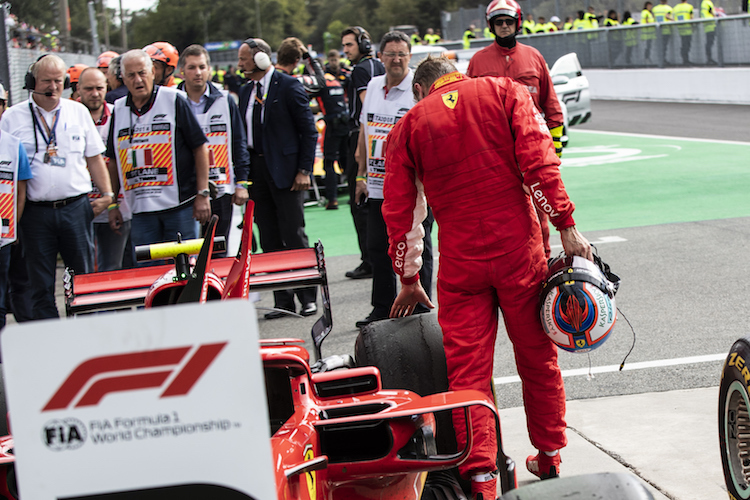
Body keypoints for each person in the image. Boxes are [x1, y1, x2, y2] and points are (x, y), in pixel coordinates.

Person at [382, 56, 593, 499]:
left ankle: (481, 476)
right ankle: (550, 455)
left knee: (467, 374)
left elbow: (402, 214)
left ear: (419, 90)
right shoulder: (503, 91)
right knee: (537, 357)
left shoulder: (409, 126)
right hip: (519, 252)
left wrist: (408, 275)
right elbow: (539, 164)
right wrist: (565, 225)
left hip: (461, 265)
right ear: (458, 73)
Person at [2, 54, 114, 319]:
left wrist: (108, 194)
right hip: (34, 213)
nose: (52, 87)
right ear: (31, 82)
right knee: (39, 284)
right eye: (46, 81)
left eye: (57, 81)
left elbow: (94, 158)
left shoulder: (78, 112)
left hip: (76, 208)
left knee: (83, 280)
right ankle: (53, 342)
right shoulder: (12, 117)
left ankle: (85, 341)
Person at [467, 0, 565, 259]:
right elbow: (467, 111)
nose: (503, 26)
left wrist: (555, 151)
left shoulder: (534, 56)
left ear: (517, 22)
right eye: (498, 22)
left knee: (539, 208)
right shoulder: (478, 61)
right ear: (491, 25)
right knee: (497, 213)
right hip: (492, 152)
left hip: (532, 148)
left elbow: (552, 106)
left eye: (508, 21)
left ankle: (542, 260)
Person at [353, 31, 433, 329]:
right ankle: (382, 309)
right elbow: (364, 132)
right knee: (377, 247)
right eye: (390, 54)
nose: (396, 59)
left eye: (401, 54)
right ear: (380, 57)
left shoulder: (418, 89)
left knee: (418, 247)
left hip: (412, 188)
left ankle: (422, 310)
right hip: (376, 184)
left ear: (409, 57)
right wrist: (360, 175)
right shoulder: (372, 86)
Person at [237, 38, 318, 319]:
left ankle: (308, 297)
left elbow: (309, 131)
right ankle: (283, 300)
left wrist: (304, 170)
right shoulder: (245, 91)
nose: (240, 64)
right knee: (269, 238)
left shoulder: (289, 85)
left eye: (244, 59)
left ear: (260, 59)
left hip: (288, 173)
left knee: (294, 235)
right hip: (258, 174)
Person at [106, 49, 211, 259]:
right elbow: (113, 159)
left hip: (180, 206)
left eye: (142, 73)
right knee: (148, 274)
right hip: (141, 210)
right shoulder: (118, 109)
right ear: (123, 79)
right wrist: (112, 204)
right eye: (131, 75)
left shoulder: (174, 100)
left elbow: (200, 147)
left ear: (153, 72)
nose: (138, 80)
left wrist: (203, 194)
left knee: (186, 270)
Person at [177, 44, 250, 258]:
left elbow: (239, 142)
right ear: (182, 70)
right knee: (186, 253)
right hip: (184, 191)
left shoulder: (226, 99)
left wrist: (242, 183)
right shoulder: (171, 100)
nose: (197, 72)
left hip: (221, 187)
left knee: (218, 251)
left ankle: (216, 293)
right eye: (191, 67)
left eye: (202, 67)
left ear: (209, 69)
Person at [341, 26, 384, 280]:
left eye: (349, 45)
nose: (345, 50)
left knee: (360, 202)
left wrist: (359, 152)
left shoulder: (360, 70)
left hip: (362, 138)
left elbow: (367, 107)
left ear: (363, 45)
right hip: (376, 139)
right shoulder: (378, 66)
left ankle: (368, 260)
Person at [79, 67, 132, 271]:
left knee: (113, 268)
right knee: (82, 271)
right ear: (78, 90)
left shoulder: (119, 115)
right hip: (82, 208)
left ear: (106, 87)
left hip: (117, 208)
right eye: (89, 88)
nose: (95, 93)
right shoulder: (71, 117)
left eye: (99, 88)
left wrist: (114, 203)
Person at [0, 96, 31, 329]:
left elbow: (20, 191)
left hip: (3, 235)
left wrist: (13, 226)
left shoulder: (12, 145)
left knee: (1, 296)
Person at [316, 54, 350, 210]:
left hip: (333, 125)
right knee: (346, 161)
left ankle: (332, 199)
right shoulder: (335, 80)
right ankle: (353, 194)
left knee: (329, 162)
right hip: (345, 123)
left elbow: (319, 104)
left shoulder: (321, 82)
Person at [652, 0, 674, 65]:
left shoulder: (655, 9)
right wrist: (673, 20)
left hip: (657, 31)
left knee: (659, 46)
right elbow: (667, 16)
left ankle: (660, 60)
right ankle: (663, 60)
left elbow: (653, 18)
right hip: (666, 30)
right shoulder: (668, 8)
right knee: (664, 46)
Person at [673, 0, 693, 65]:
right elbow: (691, 18)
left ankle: (684, 59)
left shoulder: (676, 7)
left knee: (683, 44)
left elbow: (674, 18)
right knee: (687, 45)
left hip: (680, 29)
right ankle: (686, 60)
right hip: (688, 29)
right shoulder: (689, 7)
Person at [701, 0, 717, 64]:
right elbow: (711, 11)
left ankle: (709, 58)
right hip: (711, 25)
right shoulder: (708, 2)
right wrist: (716, 17)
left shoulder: (703, 3)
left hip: (707, 26)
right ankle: (709, 59)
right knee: (710, 43)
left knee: (709, 43)